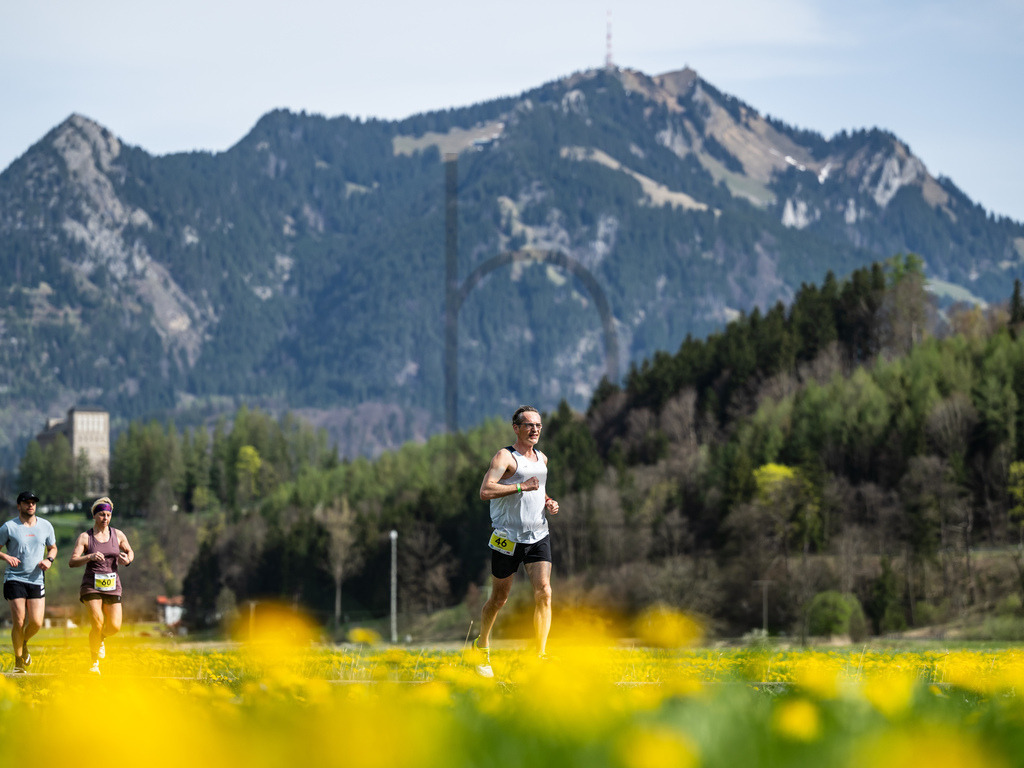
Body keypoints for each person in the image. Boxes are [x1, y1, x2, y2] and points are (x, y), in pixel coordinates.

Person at [473, 405, 559, 677]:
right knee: (499, 599)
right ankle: (482, 646)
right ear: (516, 428)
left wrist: (549, 501)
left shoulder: (542, 459)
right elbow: (485, 491)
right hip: (507, 539)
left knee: (544, 592)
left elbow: (539, 488)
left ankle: (540, 655)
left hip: (537, 535)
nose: (535, 430)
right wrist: (521, 486)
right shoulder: (505, 457)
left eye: (539, 426)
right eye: (529, 425)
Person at [69, 496, 134, 674]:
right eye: (101, 514)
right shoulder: (85, 537)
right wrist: (89, 556)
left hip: (112, 585)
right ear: (94, 516)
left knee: (114, 626)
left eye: (108, 515)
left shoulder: (118, 535)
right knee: (97, 623)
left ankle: (101, 638)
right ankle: (94, 663)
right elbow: (72, 561)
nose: (105, 518)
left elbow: (129, 551)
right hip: (91, 586)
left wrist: (127, 559)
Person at [0, 490, 57, 673]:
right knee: (19, 620)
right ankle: (18, 664)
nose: (30, 505)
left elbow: (53, 548)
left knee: (37, 622)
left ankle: (23, 644)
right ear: (19, 506)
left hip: (36, 579)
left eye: (33, 502)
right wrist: (6, 557)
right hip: (14, 578)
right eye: (26, 502)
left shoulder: (46, 526)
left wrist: (49, 560)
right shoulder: (8, 527)